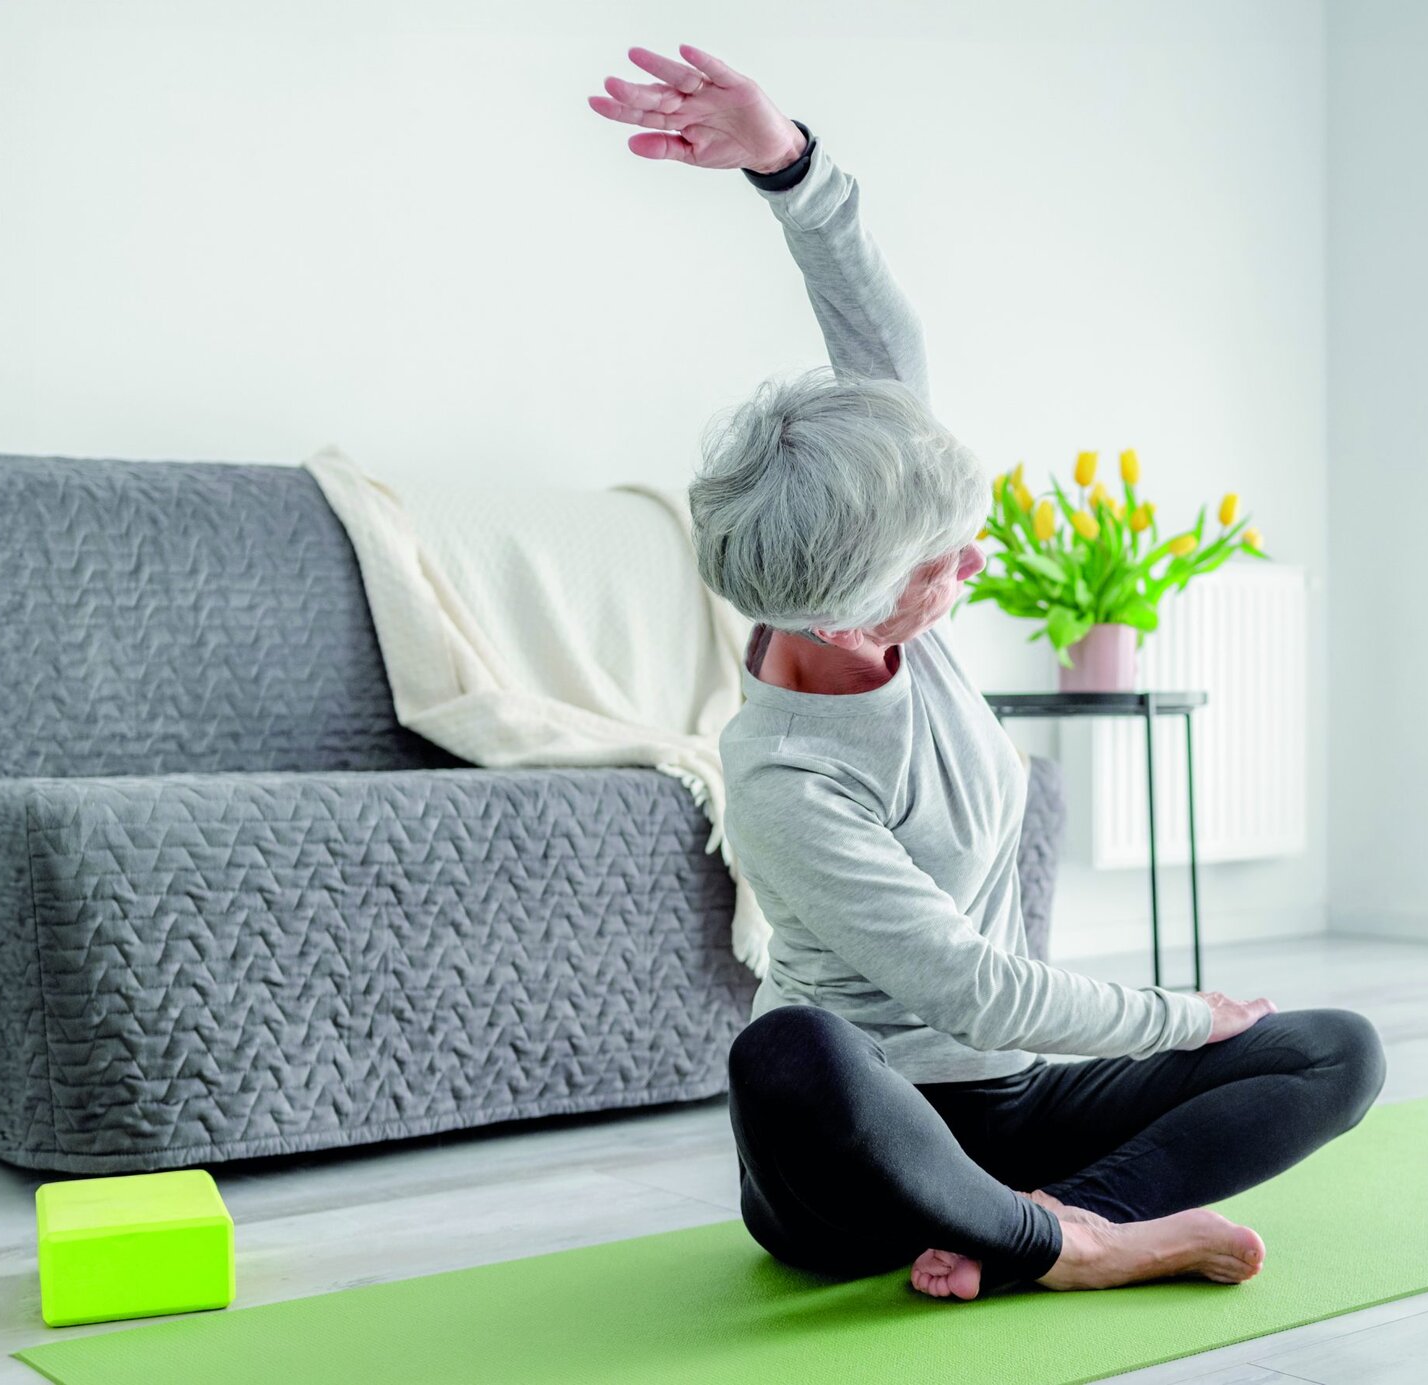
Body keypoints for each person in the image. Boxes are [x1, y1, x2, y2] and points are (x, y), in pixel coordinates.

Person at [587, 42, 1387, 1302]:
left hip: (1009, 1108)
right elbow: (973, 988)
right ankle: (1060, 1238)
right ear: (843, 616)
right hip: (860, 1156)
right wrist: (1182, 1012)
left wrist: (786, 163)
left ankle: (1059, 1226)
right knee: (788, 1052)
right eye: (940, 563)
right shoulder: (785, 778)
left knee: (1335, 1049)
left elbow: (881, 340)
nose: (970, 560)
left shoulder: (886, 590)